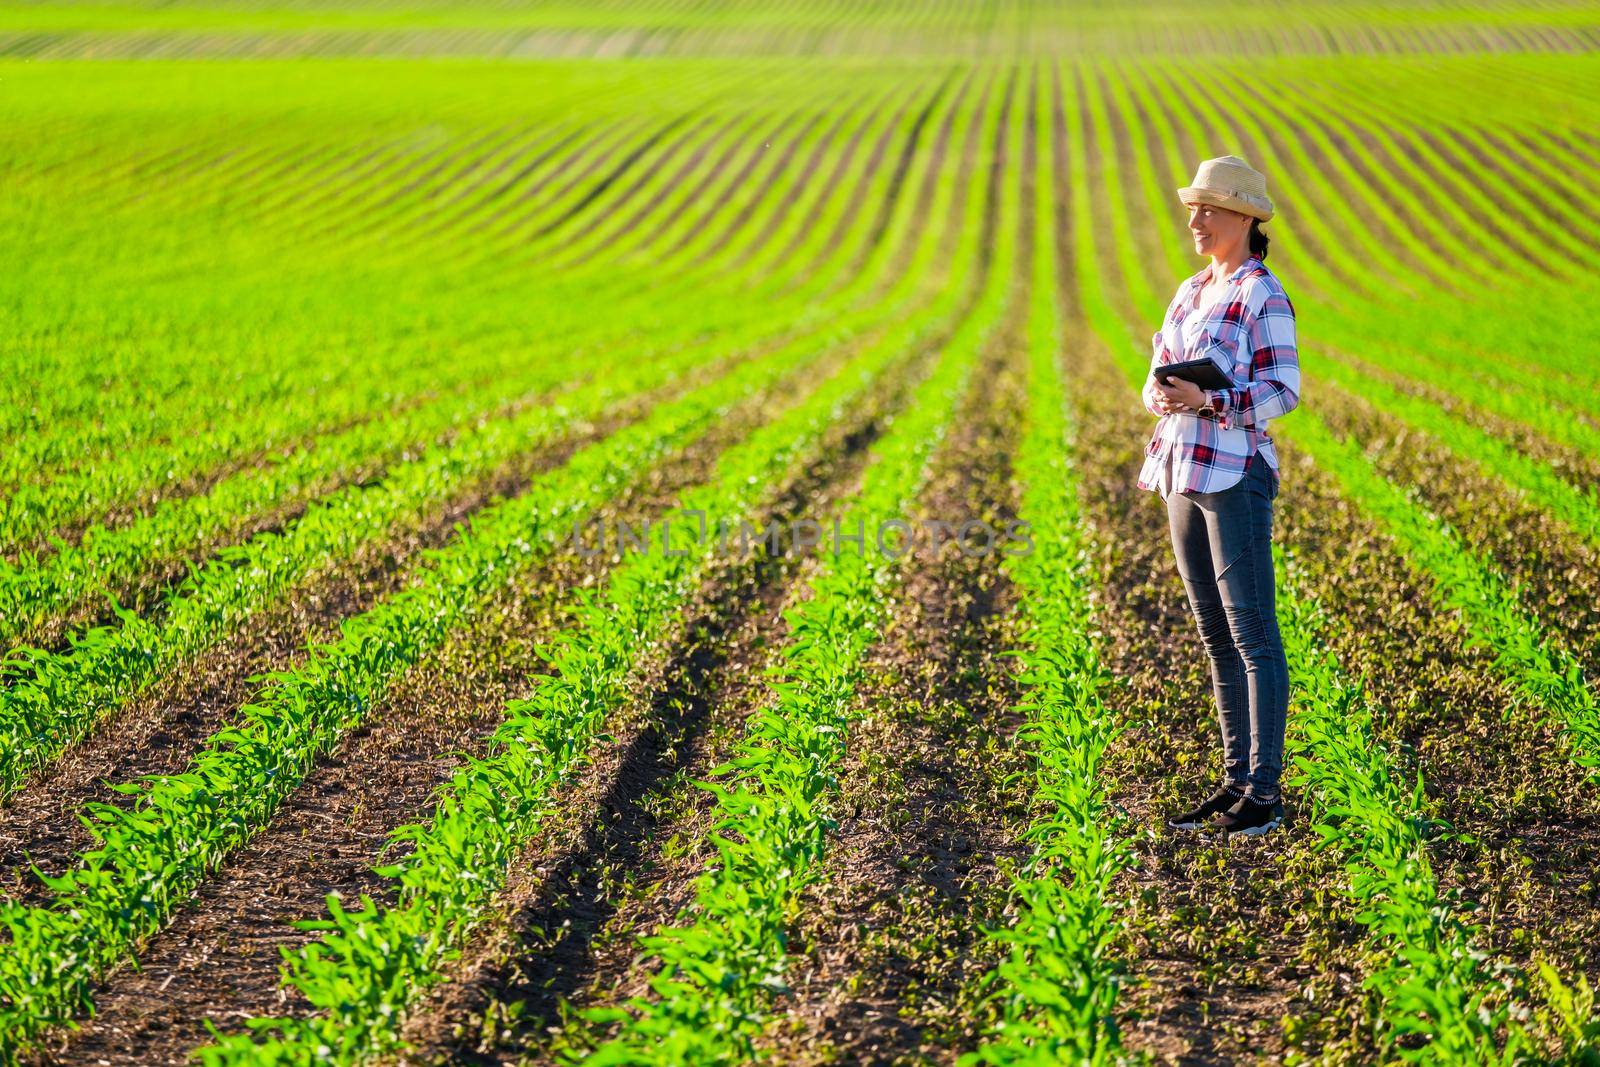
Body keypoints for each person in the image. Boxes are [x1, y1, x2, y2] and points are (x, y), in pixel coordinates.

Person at [1138, 155, 1301, 837]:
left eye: (1208, 209)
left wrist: (1210, 399)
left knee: (1252, 632)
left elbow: (1281, 390)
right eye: (1192, 209)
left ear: (1244, 217)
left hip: (1234, 471)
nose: (1195, 220)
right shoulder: (1189, 290)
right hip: (1182, 468)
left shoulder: (1262, 294)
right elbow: (1153, 377)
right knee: (1214, 633)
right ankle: (1235, 782)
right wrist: (1164, 392)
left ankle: (1263, 793)